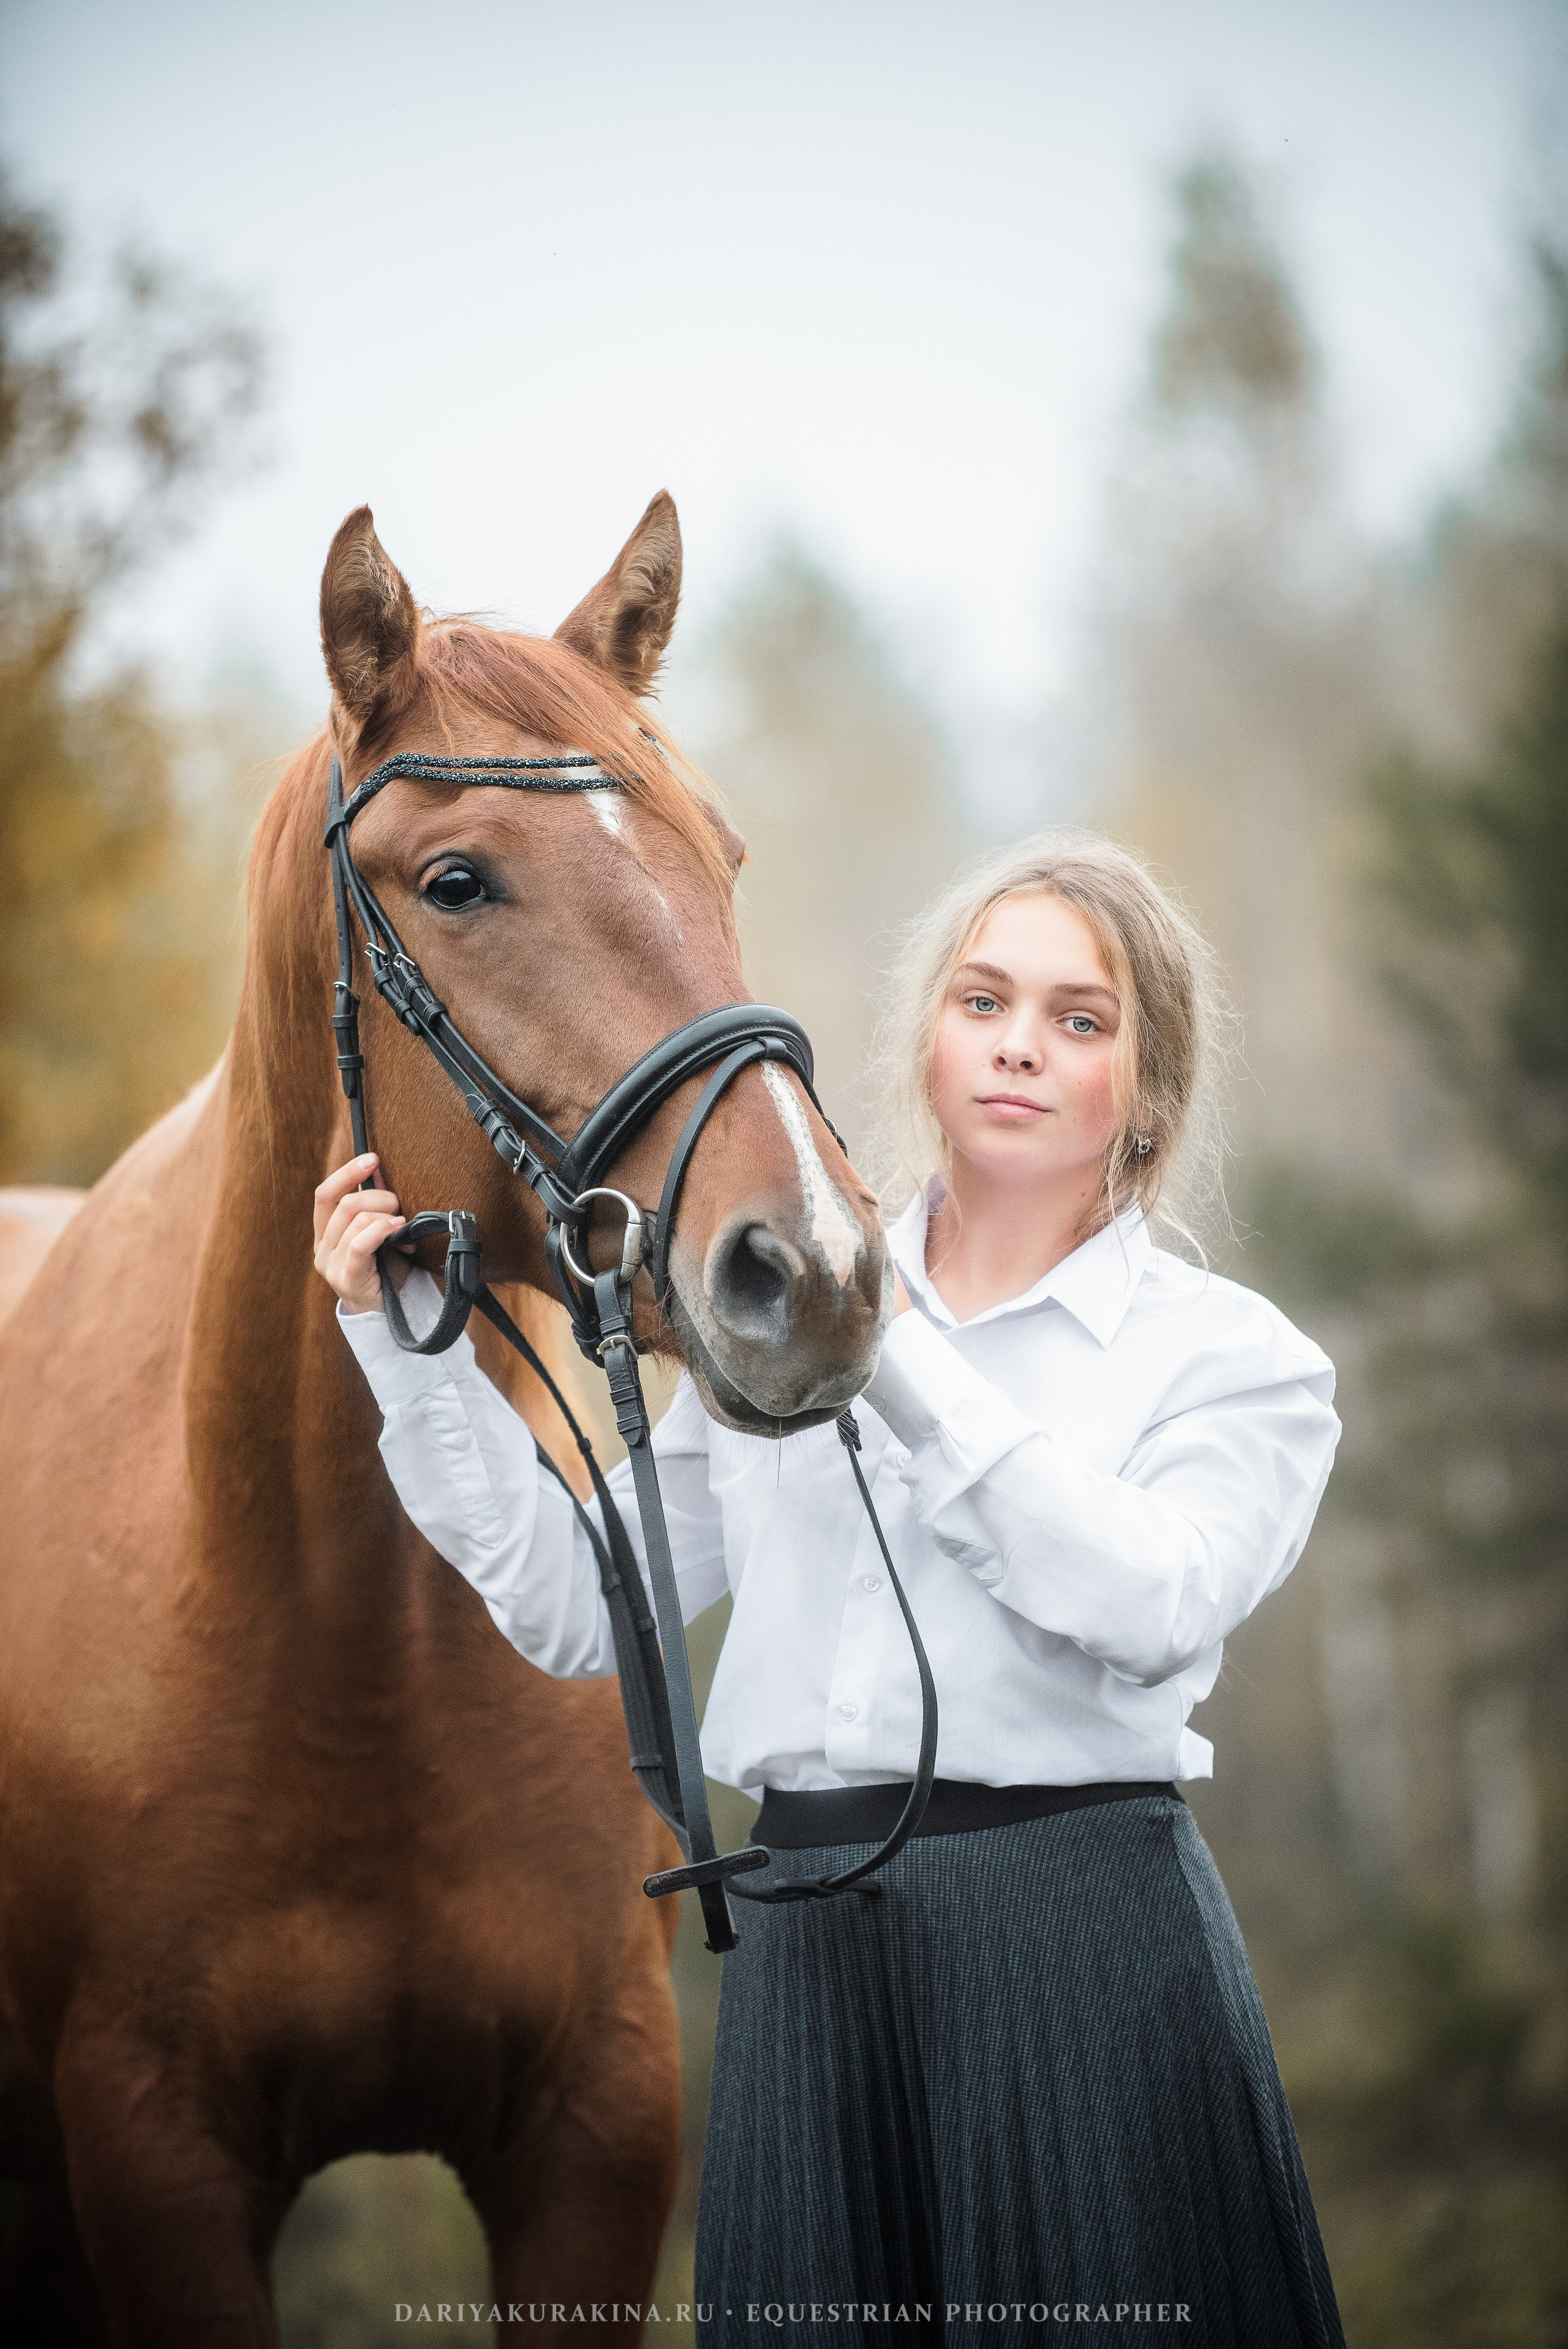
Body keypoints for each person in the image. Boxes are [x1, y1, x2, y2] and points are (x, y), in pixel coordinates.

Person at [314, 830, 1346, 2348]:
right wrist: (407, 1352)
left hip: (1080, 1948)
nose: (1017, 1044)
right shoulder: (767, 1321)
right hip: (808, 1956)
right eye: (982, 1000)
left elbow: (1150, 1606)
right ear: (927, 1040)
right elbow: (576, 1603)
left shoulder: (1236, 1361)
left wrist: (887, 1341)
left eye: (1078, 1018)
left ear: (1148, 1086)